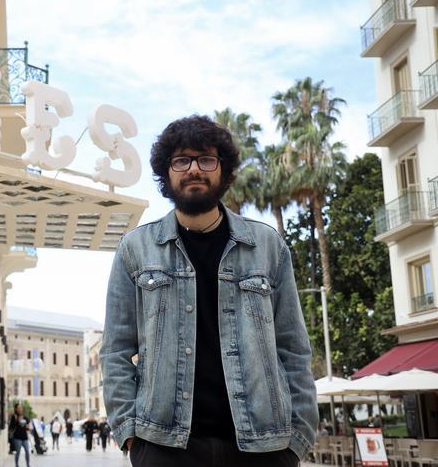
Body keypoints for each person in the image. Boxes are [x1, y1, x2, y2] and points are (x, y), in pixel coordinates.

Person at [100, 115, 318, 467]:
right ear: (167, 172)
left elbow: (293, 348)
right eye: (181, 160)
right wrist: (131, 436)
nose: (193, 170)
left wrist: (297, 439)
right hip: (165, 446)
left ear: (223, 170)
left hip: (263, 447)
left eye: (206, 159)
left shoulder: (267, 246)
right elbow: (115, 350)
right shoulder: (136, 249)